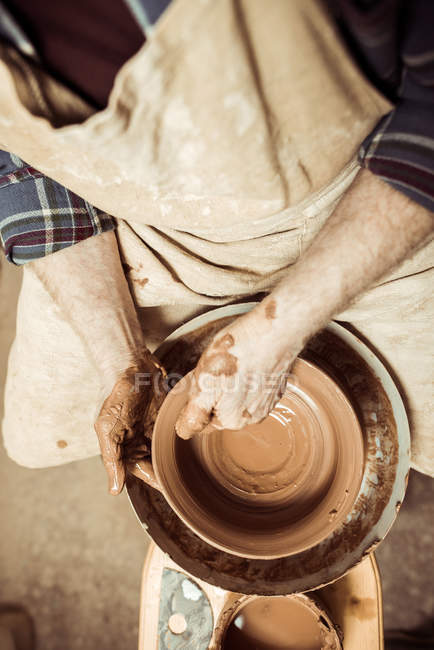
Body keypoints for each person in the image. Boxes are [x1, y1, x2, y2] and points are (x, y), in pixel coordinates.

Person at [0, 0, 432, 494]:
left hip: (362, 206)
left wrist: (281, 331)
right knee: (36, 435)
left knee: (412, 438)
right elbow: (25, 169)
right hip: (154, 232)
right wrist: (122, 360)